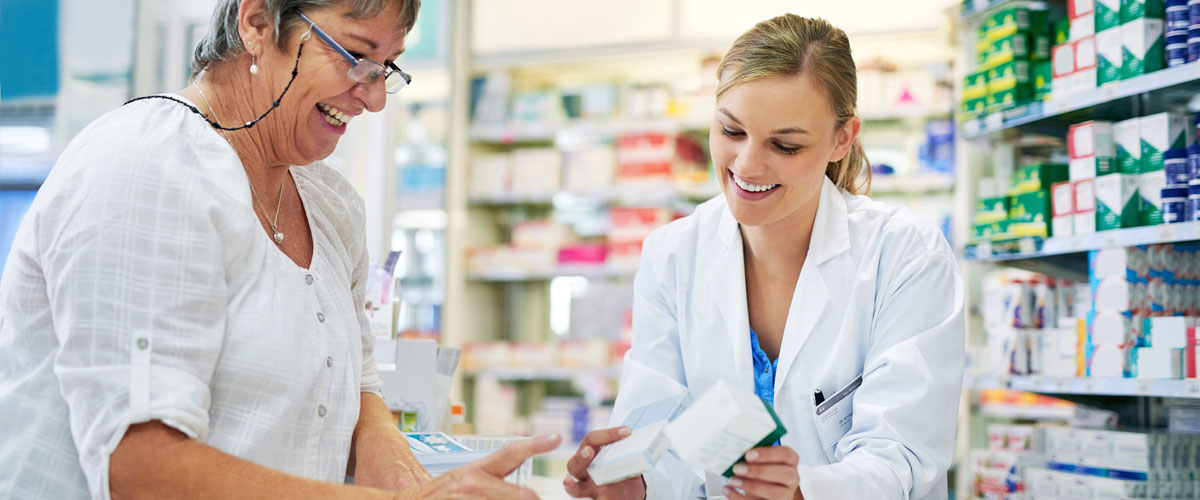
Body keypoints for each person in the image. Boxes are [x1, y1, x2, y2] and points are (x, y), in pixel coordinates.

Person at [0, 1, 557, 498]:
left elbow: (357, 381)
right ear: (258, 23)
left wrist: (407, 472)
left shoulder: (327, 202)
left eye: (388, 66)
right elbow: (140, 469)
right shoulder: (150, 165)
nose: (375, 96)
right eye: (357, 55)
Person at [563, 14, 965, 500]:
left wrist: (803, 491)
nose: (748, 165)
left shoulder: (905, 256)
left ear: (842, 139)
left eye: (785, 145)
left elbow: (904, 458)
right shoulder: (673, 255)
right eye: (731, 132)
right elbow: (659, 439)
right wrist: (634, 486)